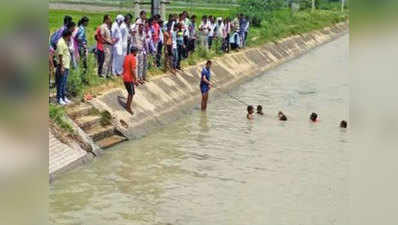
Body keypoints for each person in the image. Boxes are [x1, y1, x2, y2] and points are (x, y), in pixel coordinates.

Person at [55, 30, 73, 105]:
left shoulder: (64, 41)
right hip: (62, 66)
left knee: (64, 83)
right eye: (70, 36)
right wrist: (62, 67)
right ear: (67, 35)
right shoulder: (60, 43)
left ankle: (63, 97)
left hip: (66, 65)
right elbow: (60, 55)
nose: (70, 37)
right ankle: (59, 98)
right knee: (61, 83)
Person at [122, 47, 139, 114]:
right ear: (134, 52)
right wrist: (136, 79)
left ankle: (127, 105)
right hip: (129, 79)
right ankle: (128, 107)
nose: (137, 53)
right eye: (136, 52)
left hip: (125, 77)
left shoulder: (127, 56)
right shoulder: (133, 59)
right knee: (131, 93)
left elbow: (123, 66)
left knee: (131, 92)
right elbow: (133, 70)